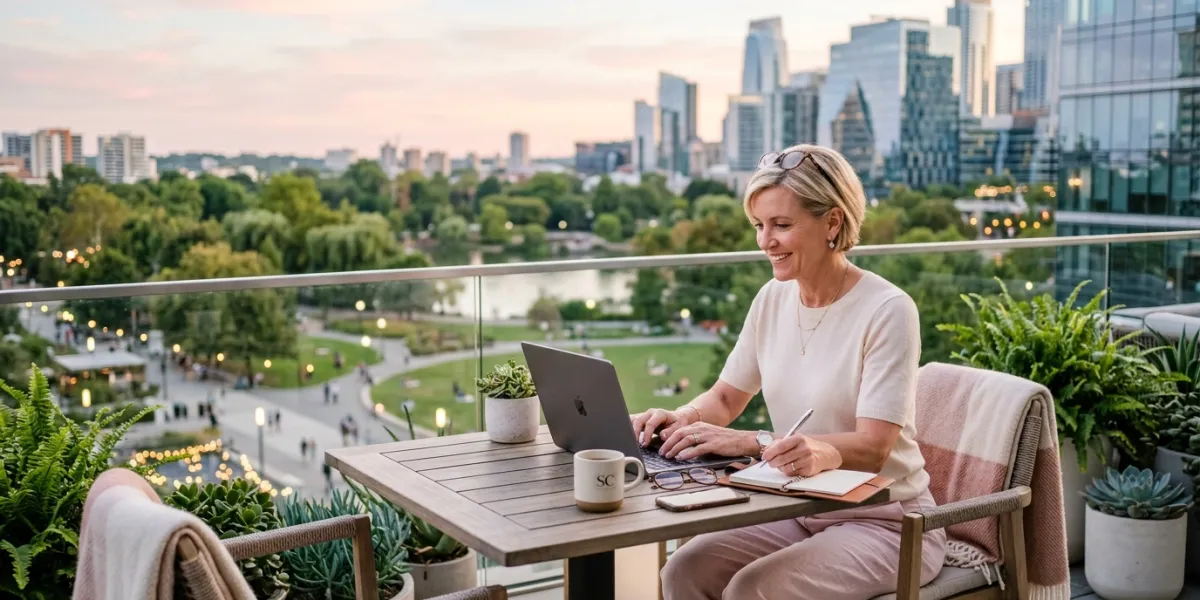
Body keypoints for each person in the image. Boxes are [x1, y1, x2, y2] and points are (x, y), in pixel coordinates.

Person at [632, 144, 946, 600]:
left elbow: (873, 449)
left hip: (888, 523)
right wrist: (680, 418)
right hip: (800, 507)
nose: (765, 241)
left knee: (751, 590)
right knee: (684, 570)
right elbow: (725, 398)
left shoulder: (888, 310)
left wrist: (755, 442)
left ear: (832, 222)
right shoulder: (772, 298)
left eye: (781, 225)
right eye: (759, 225)